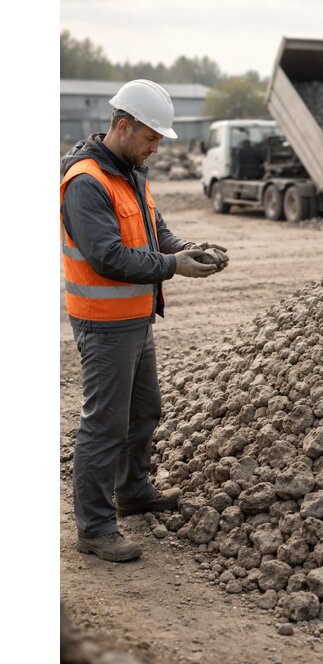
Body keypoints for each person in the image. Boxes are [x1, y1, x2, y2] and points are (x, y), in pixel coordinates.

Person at [60, 79, 226, 563]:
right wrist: (174, 267)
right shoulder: (86, 182)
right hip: (104, 323)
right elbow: (108, 257)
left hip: (135, 319)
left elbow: (156, 231)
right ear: (123, 124)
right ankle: (94, 527)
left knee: (144, 411)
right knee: (103, 426)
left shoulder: (130, 171)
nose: (156, 148)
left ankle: (132, 491)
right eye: (151, 138)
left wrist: (186, 248)